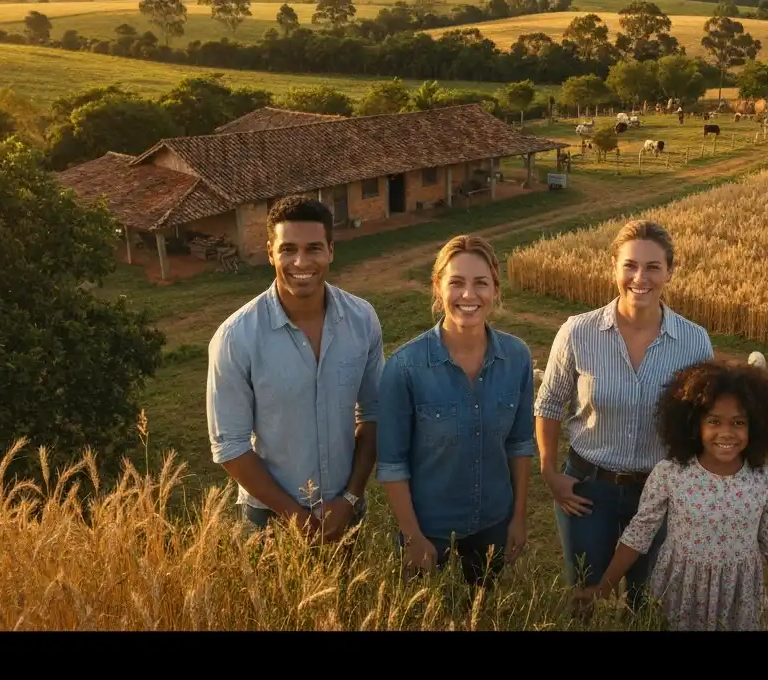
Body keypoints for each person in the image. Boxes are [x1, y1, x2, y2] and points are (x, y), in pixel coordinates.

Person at [534, 219, 714, 611]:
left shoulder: (694, 342)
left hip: (658, 492)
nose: (640, 278)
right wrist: (549, 472)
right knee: (584, 593)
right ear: (614, 267)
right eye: (630, 265)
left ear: (669, 272)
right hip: (587, 489)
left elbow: (702, 421)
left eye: (653, 267)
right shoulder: (577, 332)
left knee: (646, 599)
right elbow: (549, 404)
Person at [206, 195, 384, 547]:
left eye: (313, 248)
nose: (301, 262)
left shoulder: (362, 319)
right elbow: (229, 445)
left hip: (346, 510)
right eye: (288, 249)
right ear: (270, 253)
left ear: (330, 251)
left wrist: (349, 498)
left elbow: (374, 412)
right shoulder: (235, 338)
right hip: (269, 522)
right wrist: (295, 516)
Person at [573, 359, 768, 631]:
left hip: (737, 598)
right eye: (714, 421)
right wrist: (604, 586)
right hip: (680, 593)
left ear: (755, 425)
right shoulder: (671, 474)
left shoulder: (765, 481)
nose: (726, 433)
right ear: (694, 423)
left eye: (738, 422)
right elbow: (639, 534)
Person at [377, 235, 535, 590]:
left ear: (495, 288)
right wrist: (412, 537)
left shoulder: (517, 358)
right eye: (456, 283)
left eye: (481, 283)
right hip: (429, 531)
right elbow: (392, 464)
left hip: (494, 524)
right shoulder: (405, 368)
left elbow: (520, 444)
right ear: (437, 287)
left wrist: (518, 518)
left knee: (484, 610)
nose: (468, 295)